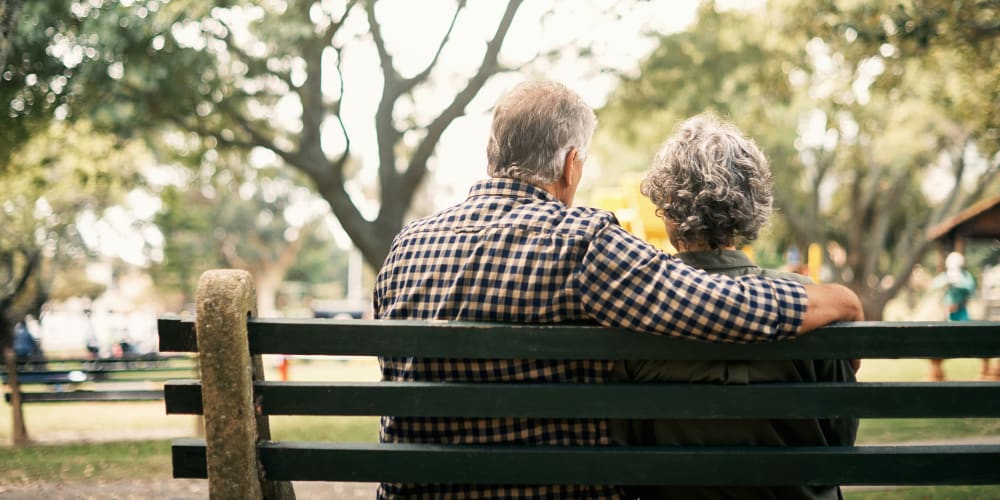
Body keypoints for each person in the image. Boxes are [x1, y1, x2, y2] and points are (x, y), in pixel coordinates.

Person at [372, 80, 863, 499]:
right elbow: (718, 304)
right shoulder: (581, 242)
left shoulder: (405, 247)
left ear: (493, 154)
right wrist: (836, 299)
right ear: (571, 166)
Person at [611, 114, 858, 500]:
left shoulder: (639, 308)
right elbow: (840, 438)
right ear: (749, 205)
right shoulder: (810, 303)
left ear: (669, 210)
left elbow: (626, 444)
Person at [928, 252, 977, 381]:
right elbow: (934, 285)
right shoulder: (947, 278)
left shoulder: (965, 279)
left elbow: (969, 289)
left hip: (960, 318)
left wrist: (956, 283)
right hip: (948, 319)